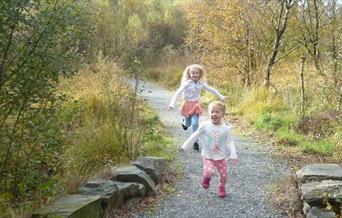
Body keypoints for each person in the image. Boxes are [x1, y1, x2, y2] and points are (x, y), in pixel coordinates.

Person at [180, 101, 239, 198]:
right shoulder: (205, 126)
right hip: (208, 156)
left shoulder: (226, 129)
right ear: (209, 113)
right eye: (212, 112)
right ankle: (206, 178)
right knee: (209, 172)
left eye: (217, 112)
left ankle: (221, 187)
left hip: (221, 157)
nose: (214, 114)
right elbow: (195, 135)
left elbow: (229, 142)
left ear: (223, 114)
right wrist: (185, 146)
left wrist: (233, 153)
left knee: (224, 175)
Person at [167, 64, 226, 151]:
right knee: (187, 124)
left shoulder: (201, 83)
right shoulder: (186, 84)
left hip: (196, 106)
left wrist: (221, 96)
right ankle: (184, 122)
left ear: (200, 74)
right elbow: (178, 93)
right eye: (193, 73)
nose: (195, 75)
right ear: (189, 74)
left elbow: (211, 89)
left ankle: (195, 142)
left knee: (195, 124)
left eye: (197, 73)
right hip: (187, 105)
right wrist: (172, 104)